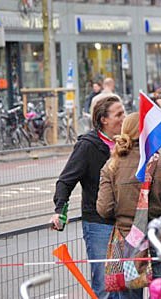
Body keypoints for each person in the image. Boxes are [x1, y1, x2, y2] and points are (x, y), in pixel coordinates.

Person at [97, 112, 161, 299]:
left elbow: (104, 209)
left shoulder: (112, 165)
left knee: (130, 294)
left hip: (129, 242)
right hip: (160, 240)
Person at [51, 95, 125, 299]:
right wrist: (60, 210)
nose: (123, 117)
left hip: (126, 222)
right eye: (118, 114)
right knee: (104, 285)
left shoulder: (127, 142)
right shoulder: (88, 145)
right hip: (99, 223)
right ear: (104, 119)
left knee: (127, 283)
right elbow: (66, 180)